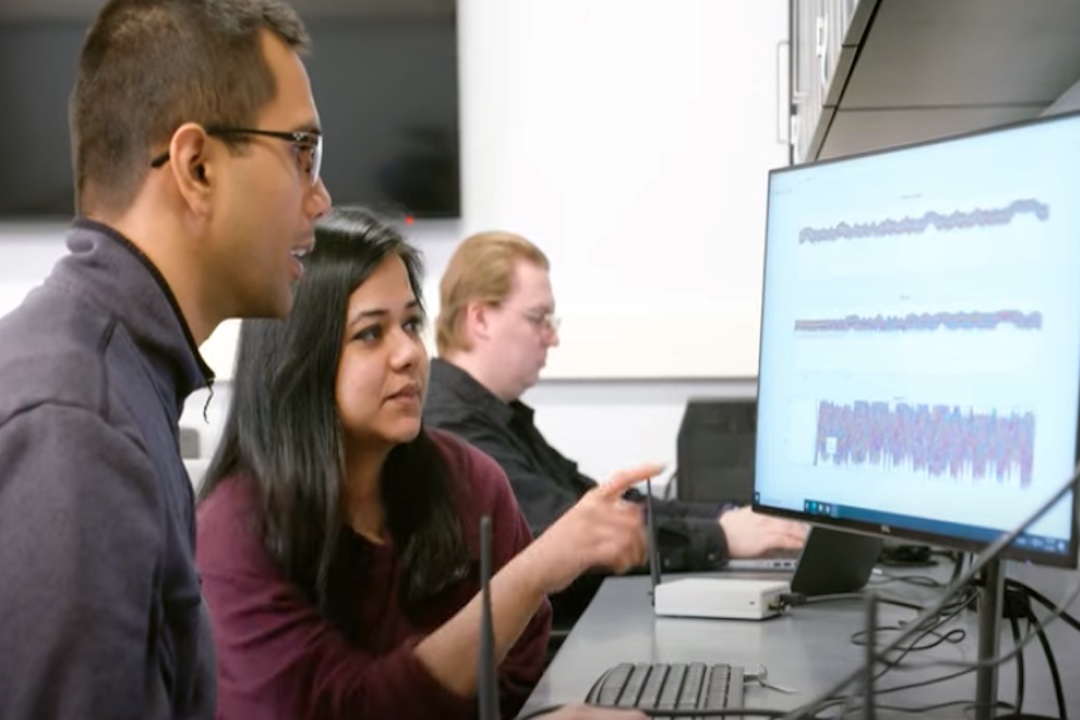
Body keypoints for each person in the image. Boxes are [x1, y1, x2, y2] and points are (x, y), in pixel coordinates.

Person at [0, 1, 332, 717]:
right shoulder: (78, 425)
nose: (321, 197)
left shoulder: (120, 379)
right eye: (301, 151)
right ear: (197, 166)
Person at [195, 207, 655, 720]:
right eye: (371, 333)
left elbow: (517, 673)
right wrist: (532, 573)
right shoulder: (232, 529)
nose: (410, 354)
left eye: (411, 324)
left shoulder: (470, 480)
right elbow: (344, 709)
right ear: (301, 355)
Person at [425, 231, 809, 626]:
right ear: (480, 319)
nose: (552, 337)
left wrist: (730, 516)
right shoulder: (454, 429)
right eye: (538, 318)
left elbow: (599, 503)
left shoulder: (498, 418)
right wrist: (722, 536)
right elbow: (582, 530)